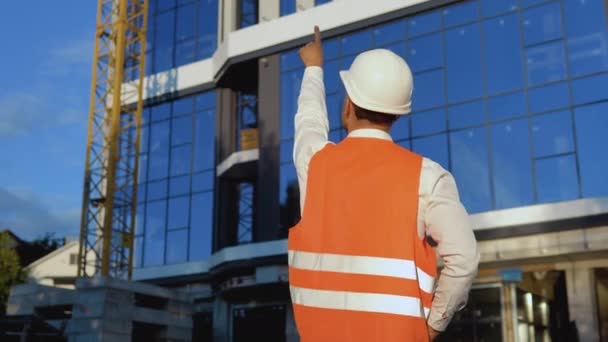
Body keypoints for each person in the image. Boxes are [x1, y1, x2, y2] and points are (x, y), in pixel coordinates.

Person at [287, 26, 479, 341]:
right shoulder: (428, 177)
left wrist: (313, 68)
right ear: (397, 115)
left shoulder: (315, 164)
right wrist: (432, 326)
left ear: (347, 105)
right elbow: (464, 259)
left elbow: (309, 122)